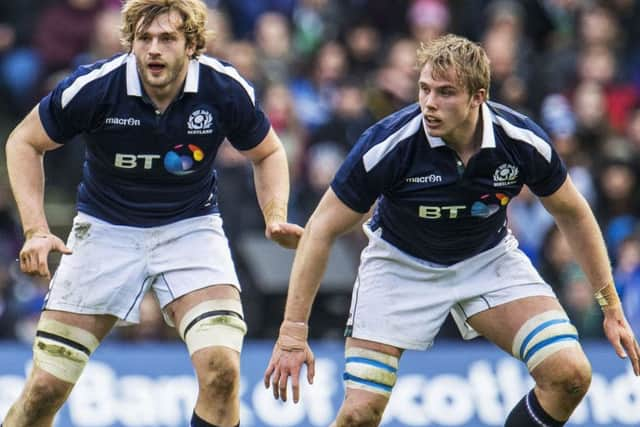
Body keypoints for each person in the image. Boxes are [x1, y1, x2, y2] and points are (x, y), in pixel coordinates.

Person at [264, 34, 640, 427]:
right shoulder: (388, 143)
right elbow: (321, 228)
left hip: (486, 260)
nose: (429, 103)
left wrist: (611, 307)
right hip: (399, 265)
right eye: (424, 89)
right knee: (360, 414)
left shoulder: (521, 141)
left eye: (446, 93)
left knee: (569, 375)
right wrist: (292, 333)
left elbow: (575, 214)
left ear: (478, 97)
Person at [3, 0, 303, 426]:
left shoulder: (223, 88)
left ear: (193, 45)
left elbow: (268, 151)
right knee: (44, 390)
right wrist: (35, 229)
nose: (153, 50)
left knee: (221, 371)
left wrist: (274, 214)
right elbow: (23, 142)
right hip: (104, 231)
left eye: (167, 39)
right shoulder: (95, 85)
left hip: (191, 228)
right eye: (143, 39)